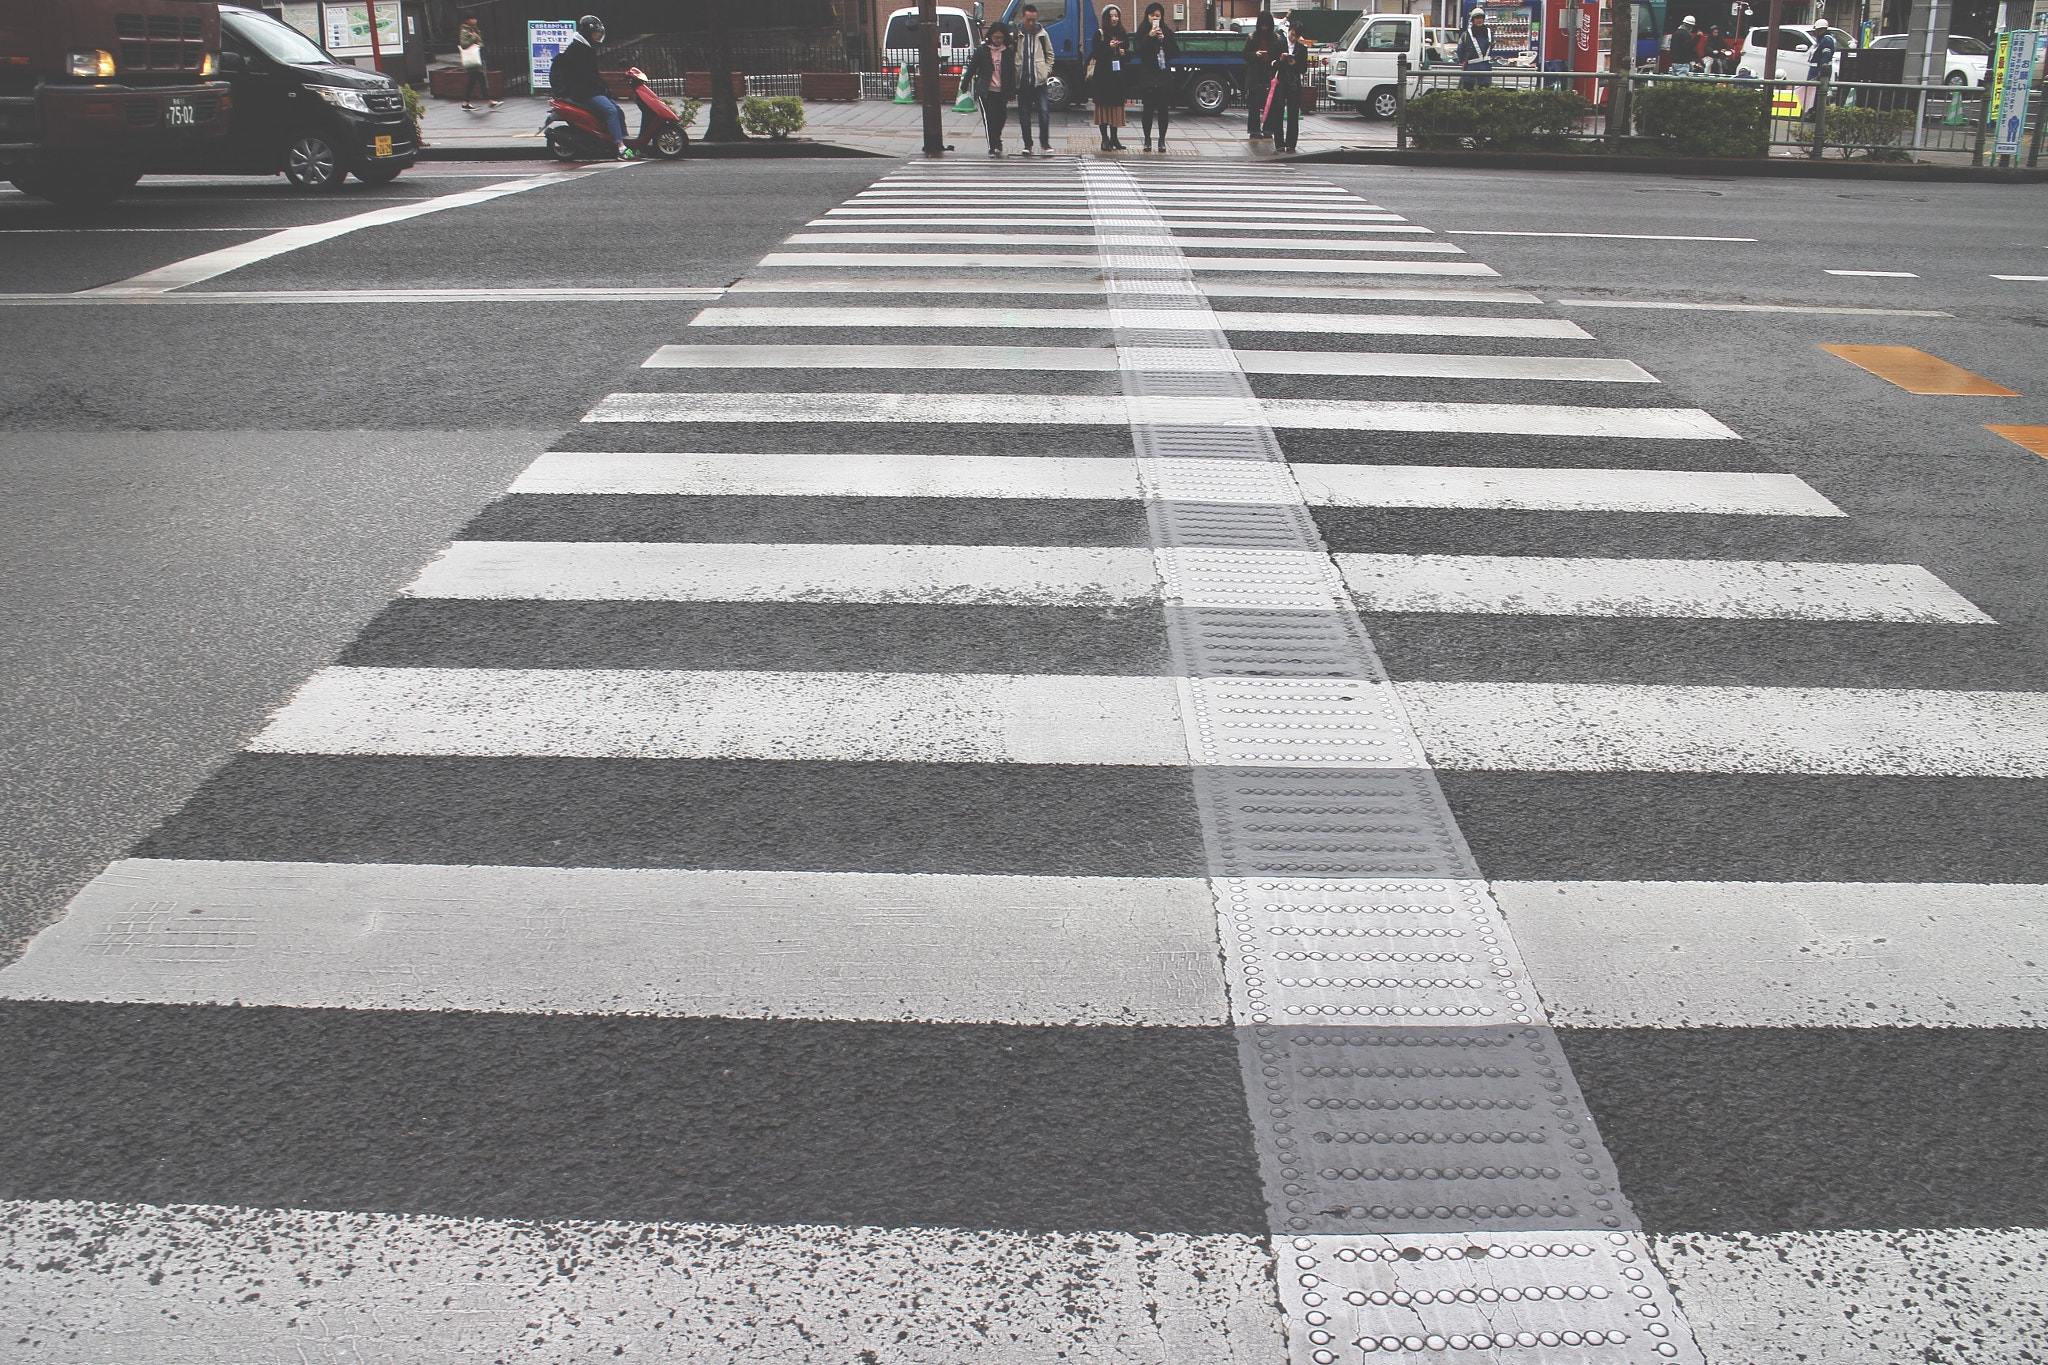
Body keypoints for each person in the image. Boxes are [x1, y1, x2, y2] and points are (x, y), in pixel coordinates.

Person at [549, 15, 631, 159]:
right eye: (595, 33)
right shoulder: (576, 50)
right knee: (611, 111)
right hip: (584, 93)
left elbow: (592, 75)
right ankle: (620, 147)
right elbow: (583, 77)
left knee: (618, 110)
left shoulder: (586, 48)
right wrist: (600, 88)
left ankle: (625, 140)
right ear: (587, 33)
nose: (598, 36)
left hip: (591, 90)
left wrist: (603, 87)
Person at [1133, 2, 1180, 152]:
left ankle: (1161, 140)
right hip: (1147, 76)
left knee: (1163, 110)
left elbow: (1175, 53)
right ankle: (1147, 140)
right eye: (1152, 15)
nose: (1155, 18)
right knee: (1147, 109)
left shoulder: (1166, 30)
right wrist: (1149, 36)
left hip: (1163, 76)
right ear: (1147, 16)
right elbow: (1138, 50)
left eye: (1157, 16)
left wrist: (1163, 39)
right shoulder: (1142, 31)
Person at [966, 21, 1017, 155]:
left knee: (1001, 117)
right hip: (986, 90)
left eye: (1001, 37)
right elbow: (972, 67)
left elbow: (1011, 73)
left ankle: (997, 138)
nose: (998, 40)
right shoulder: (982, 50)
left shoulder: (1007, 52)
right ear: (991, 36)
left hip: (1002, 91)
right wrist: (964, 85)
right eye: (995, 37)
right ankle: (992, 145)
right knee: (989, 118)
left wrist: (1012, 92)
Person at [1013, 4, 1056, 154]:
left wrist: (1046, 71)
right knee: (1024, 115)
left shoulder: (1042, 34)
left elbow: (1050, 54)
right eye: (1028, 20)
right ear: (1022, 18)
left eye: (1033, 20)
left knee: (1044, 112)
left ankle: (1045, 143)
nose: (1031, 23)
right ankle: (1028, 144)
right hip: (1023, 82)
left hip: (1040, 82)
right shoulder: (1016, 35)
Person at [1089, 5, 1132, 151]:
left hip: (1117, 77)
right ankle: (1105, 139)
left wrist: (1122, 52)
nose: (1114, 18)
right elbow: (1096, 53)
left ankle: (1114, 138)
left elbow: (1128, 54)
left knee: (1115, 109)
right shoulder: (1100, 34)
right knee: (1103, 108)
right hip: (1103, 77)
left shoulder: (1122, 33)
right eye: (1111, 16)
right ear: (1106, 18)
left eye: (1116, 16)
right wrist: (1109, 47)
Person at [1264, 24, 1309, 152]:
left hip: (1294, 84)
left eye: (1296, 36)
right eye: (1292, 34)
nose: (1293, 38)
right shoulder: (1278, 45)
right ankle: (1279, 143)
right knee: (1278, 111)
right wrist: (1281, 60)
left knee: (1293, 114)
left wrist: (1294, 63)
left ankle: (1291, 143)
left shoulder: (1302, 49)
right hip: (1280, 82)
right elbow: (1271, 65)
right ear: (1289, 31)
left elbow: (1303, 69)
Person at [1242, 12, 1280, 139]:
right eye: (1262, 25)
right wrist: (1255, 54)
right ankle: (1254, 129)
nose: (1264, 28)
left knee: (1269, 104)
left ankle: (1268, 129)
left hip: (1270, 74)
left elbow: (1279, 55)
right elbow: (1245, 55)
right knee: (1254, 105)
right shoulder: (1252, 37)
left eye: (1267, 25)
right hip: (1255, 74)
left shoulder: (1276, 38)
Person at [457, 18, 500, 109]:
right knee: (481, 80)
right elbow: (464, 44)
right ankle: (489, 101)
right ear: (467, 20)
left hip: (478, 57)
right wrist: (473, 38)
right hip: (474, 59)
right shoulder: (465, 30)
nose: (475, 20)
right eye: (472, 18)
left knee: (472, 81)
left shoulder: (473, 28)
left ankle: (465, 102)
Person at [1457, 10, 1493, 89]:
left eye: (1481, 18)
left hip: (1485, 68)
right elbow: (1460, 50)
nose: (1479, 20)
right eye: (1476, 18)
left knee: (1484, 93)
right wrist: (1462, 60)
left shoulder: (1490, 33)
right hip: (1470, 69)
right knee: (1468, 93)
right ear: (1473, 20)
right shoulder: (1466, 35)